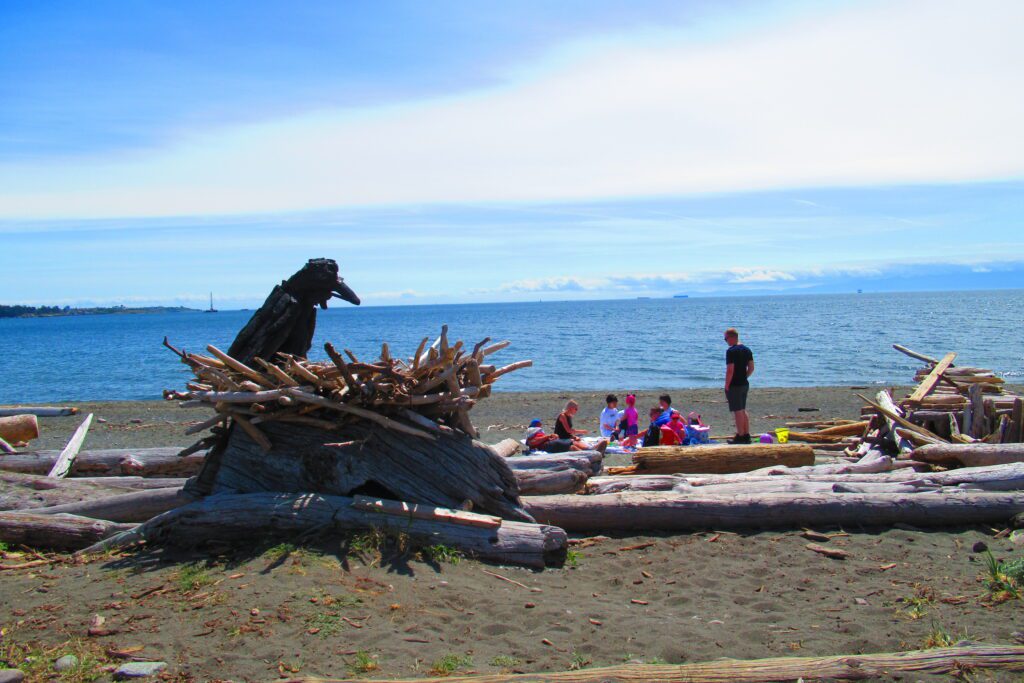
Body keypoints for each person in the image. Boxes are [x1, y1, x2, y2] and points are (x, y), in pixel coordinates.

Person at [723, 327, 755, 444]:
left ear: (732, 338)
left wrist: (727, 385)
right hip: (744, 384)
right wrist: (744, 376)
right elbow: (751, 368)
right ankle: (746, 434)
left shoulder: (731, 351)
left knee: (737, 411)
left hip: (735, 385)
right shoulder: (747, 350)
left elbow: (730, 370)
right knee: (742, 409)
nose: (726, 341)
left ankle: (740, 435)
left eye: (726, 339)